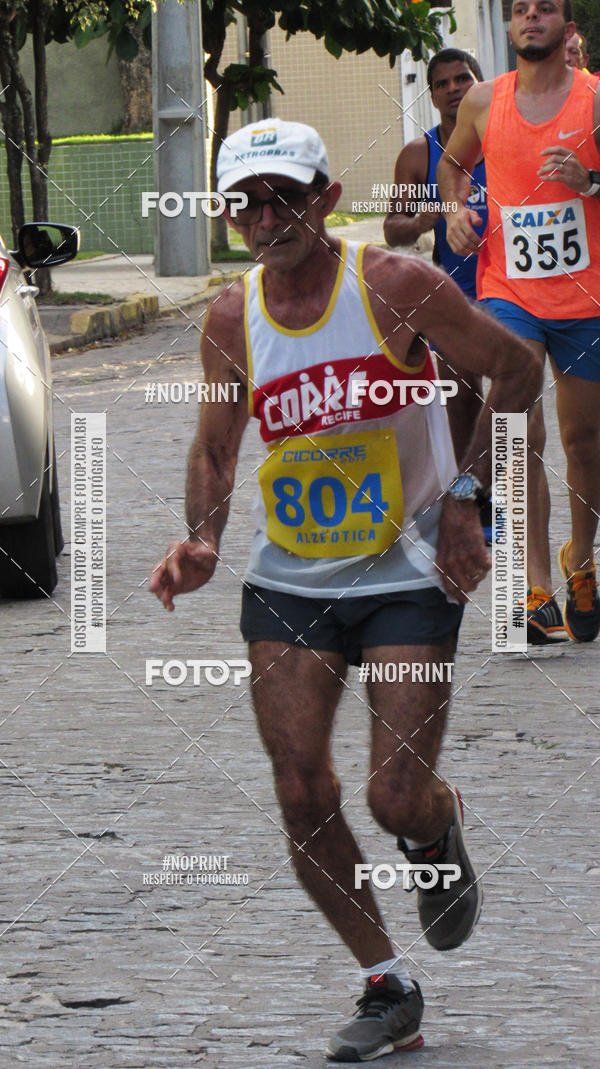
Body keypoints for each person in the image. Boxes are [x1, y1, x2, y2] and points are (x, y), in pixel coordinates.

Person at [150, 117, 542, 1061]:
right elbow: (214, 445)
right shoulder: (230, 315)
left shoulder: (394, 286)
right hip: (291, 578)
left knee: (393, 794)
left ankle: (435, 821)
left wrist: (466, 497)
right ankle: (386, 984)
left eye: (284, 195)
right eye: (244, 201)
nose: (264, 216)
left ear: (326, 198)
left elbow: (518, 368)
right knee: (298, 789)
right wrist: (203, 537)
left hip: (408, 566)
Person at [438, 0, 600, 645]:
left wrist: (589, 182)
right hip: (509, 292)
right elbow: (452, 166)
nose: (532, 18)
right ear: (510, 26)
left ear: (565, 23)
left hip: (586, 298)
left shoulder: (593, 99)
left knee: (584, 442)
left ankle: (580, 563)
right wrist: (454, 210)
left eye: (546, 9)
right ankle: (536, 587)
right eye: (521, 10)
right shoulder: (482, 101)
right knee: (517, 432)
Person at [384, 48, 488, 467]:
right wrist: (423, 219)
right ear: (431, 96)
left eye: (462, 78)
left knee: (512, 414)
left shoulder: (507, 140)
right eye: (442, 84)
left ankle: (512, 516)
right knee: (461, 402)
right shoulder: (418, 156)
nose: (453, 89)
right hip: (455, 296)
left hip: (512, 291)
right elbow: (392, 229)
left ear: (480, 83)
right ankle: (475, 511)